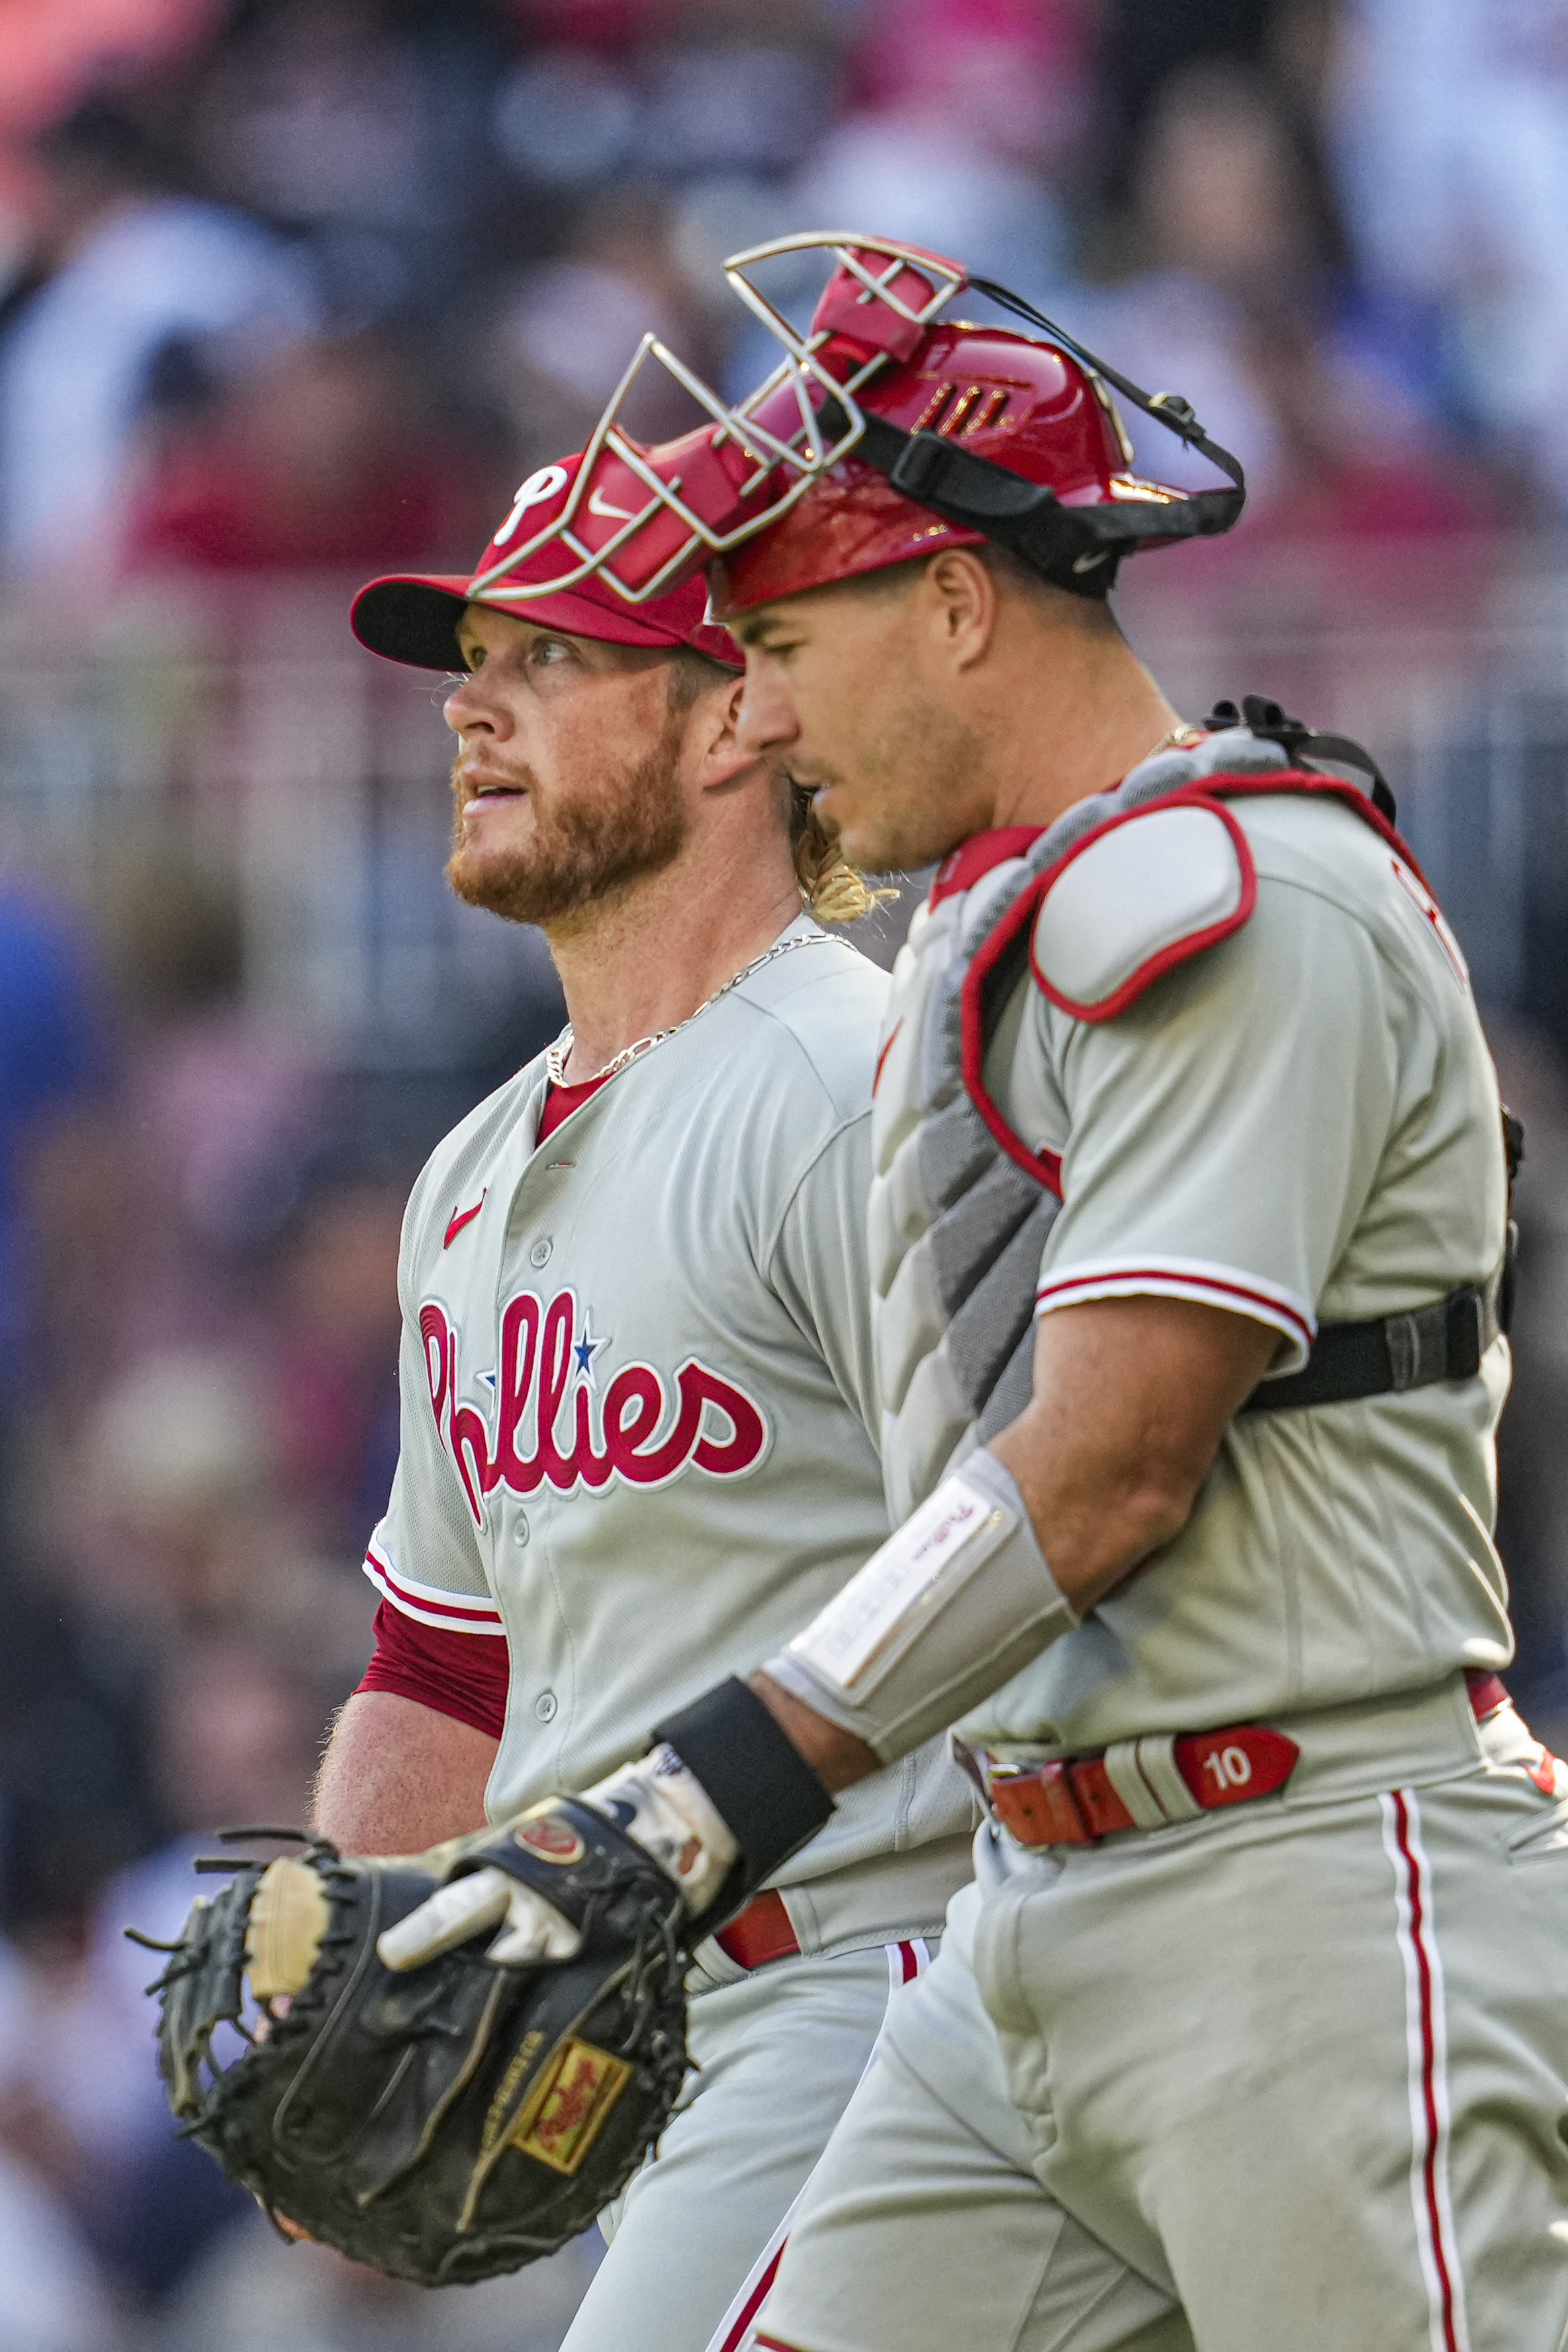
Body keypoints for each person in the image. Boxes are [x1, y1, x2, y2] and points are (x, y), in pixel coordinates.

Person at [383, 238, 1566, 2350]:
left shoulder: (1234, 887)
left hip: (1298, 1875)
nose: (761, 706)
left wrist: (685, 1803)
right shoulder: (968, 939)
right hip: (1031, 1930)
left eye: (784, 641)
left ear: (951, 601)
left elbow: (1108, 1464)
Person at [319, 452, 977, 2352]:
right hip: (652, 2056)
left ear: (729, 726)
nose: (469, 706)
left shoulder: (850, 1082)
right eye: (469, 663)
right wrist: (363, 1968)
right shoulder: (461, 1173)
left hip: (880, 1982)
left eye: (547, 658)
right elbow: (445, 1660)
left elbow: (1058, 1531)